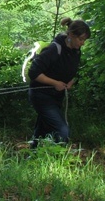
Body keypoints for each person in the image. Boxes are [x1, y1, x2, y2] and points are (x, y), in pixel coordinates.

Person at [28, 17, 91, 149]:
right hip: (41, 95)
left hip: (56, 97)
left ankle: (34, 155)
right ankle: (56, 161)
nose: (83, 43)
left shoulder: (76, 51)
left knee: (42, 128)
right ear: (71, 35)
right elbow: (34, 72)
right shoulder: (54, 49)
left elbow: (74, 72)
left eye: (84, 40)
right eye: (81, 39)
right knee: (62, 131)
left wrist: (71, 82)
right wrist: (55, 83)